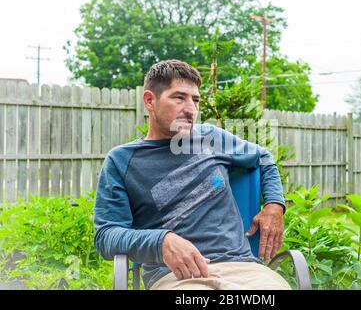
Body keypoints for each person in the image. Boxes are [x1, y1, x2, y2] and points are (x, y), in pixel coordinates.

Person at [94, 59, 291, 290]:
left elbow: (263, 158)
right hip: (176, 277)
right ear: (150, 100)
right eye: (179, 98)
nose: (191, 110)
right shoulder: (121, 161)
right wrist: (162, 241)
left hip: (244, 270)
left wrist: (275, 205)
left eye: (195, 100)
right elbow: (106, 236)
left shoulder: (211, 138)